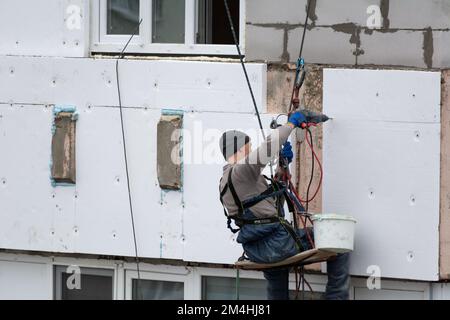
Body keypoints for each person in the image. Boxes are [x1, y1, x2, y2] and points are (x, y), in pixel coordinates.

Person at [219, 111, 350, 300]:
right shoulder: (240, 171)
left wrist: (282, 166)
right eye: (248, 148)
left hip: (258, 249)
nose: (251, 151)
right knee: (337, 241)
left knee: (276, 274)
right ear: (238, 151)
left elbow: (263, 206)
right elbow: (268, 148)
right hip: (276, 244)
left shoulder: (227, 182)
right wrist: (290, 124)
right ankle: (336, 297)